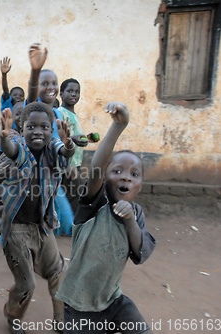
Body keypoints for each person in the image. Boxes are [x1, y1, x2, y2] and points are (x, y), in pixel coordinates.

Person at [56, 103, 156, 333]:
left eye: (134, 174)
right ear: (105, 178)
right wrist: (118, 126)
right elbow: (96, 170)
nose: (126, 178)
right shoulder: (93, 205)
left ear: (140, 186)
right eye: (117, 171)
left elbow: (140, 253)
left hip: (112, 299)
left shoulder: (136, 214)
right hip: (79, 303)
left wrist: (129, 218)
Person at [0, 102, 75, 334]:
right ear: (22, 129)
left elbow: (65, 152)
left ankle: (61, 321)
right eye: (31, 126)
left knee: (59, 274)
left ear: (52, 130)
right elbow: (11, 150)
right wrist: (3, 138)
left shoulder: (54, 150)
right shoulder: (20, 148)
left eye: (44, 127)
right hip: (17, 231)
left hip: (43, 227)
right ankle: (13, 317)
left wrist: (69, 144)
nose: (37, 131)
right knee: (26, 285)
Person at [26, 43, 74, 237]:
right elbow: (31, 95)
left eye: (54, 83)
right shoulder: (34, 109)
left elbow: (59, 142)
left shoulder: (56, 114)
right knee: (30, 219)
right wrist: (35, 71)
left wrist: (67, 158)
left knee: (64, 221)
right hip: (33, 175)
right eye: (44, 83)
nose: (51, 87)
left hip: (52, 175)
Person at [57, 78, 99, 214]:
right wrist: (73, 140)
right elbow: (59, 137)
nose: (74, 94)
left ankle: (67, 223)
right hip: (67, 164)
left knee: (73, 194)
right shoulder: (60, 113)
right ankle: (69, 224)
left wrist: (86, 138)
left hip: (75, 162)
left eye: (77, 92)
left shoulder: (73, 115)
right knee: (73, 194)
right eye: (70, 91)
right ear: (61, 94)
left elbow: (74, 136)